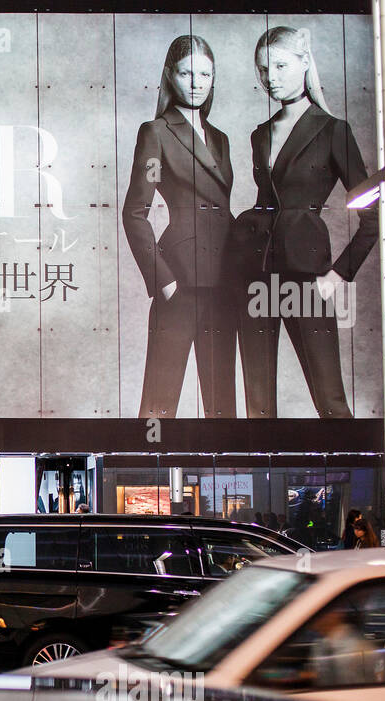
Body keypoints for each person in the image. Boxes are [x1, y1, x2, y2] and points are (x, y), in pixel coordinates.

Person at [236, 26, 379, 419]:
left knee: (330, 400)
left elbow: (372, 216)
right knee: (258, 405)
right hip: (254, 275)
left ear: (303, 63)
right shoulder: (259, 135)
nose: (272, 78)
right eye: (264, 69)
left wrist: (337, 277)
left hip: (307, 276)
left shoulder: (334, 130)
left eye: (281, 66)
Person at [124, 34, 237, 419]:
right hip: (181, 280)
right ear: (171, 75)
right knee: (159, 402)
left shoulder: (219, 138)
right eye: (187, 72)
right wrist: (163, 279)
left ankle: (227, 478)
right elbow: (135, 211)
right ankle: (144, 474)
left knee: (223, 404)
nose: (196, 82)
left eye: (205, 73)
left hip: (224, 280)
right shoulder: (155, 132)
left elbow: (222, 211)